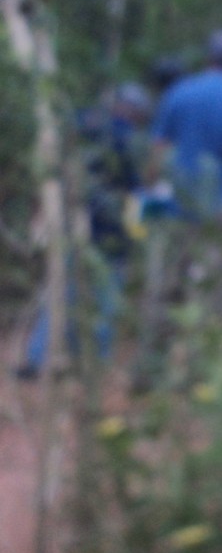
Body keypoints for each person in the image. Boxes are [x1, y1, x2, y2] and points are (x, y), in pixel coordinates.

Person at [138, 30, 222, 384]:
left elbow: (158, 151)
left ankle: (149, 372)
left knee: (164, 291)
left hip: (173, 210)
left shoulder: (178, 94)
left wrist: (149, 193)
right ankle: (196, 381)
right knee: (213, 297)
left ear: (209, 60)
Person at [15, 82, 153, 379]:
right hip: (111, 232)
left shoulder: (83, 122)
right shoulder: (128, 139)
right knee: (105, 299)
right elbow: (138, 191)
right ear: (135, 112)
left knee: (62, 292)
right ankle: (93, 365)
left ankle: (39, 360)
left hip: (72, 222)